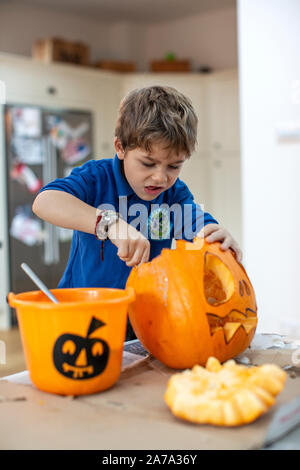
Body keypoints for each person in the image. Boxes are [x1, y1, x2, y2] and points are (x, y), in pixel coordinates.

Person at [32, 85, 242, 340]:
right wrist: (110, 223)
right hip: (84, 314)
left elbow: (201, 228)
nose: (161, 177)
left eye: (174, 166)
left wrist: (218, 238)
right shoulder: (96, 178)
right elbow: (45, 202)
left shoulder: (174, 195)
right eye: (148, 163)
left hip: (146, 320)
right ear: (120, 147)